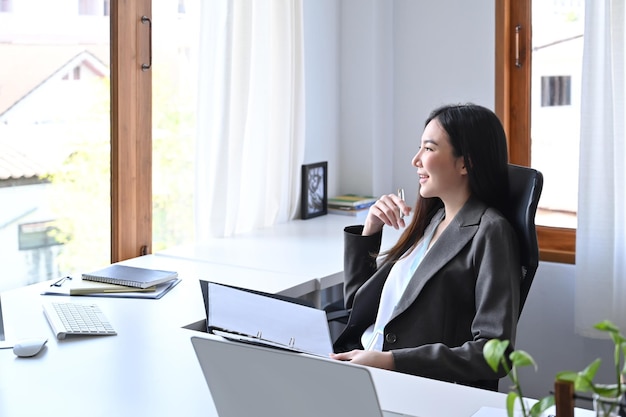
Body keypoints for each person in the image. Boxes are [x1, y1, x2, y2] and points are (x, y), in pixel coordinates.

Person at [329, 103, 521, 391]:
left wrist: (391, 361)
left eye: (429, 149)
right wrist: (370, 230)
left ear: (465, 163)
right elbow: (358, 307)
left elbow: (495, 355)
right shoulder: (432, 221)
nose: (415, 160)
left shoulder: (491, 232)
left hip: (406, 385)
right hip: (362, 368)